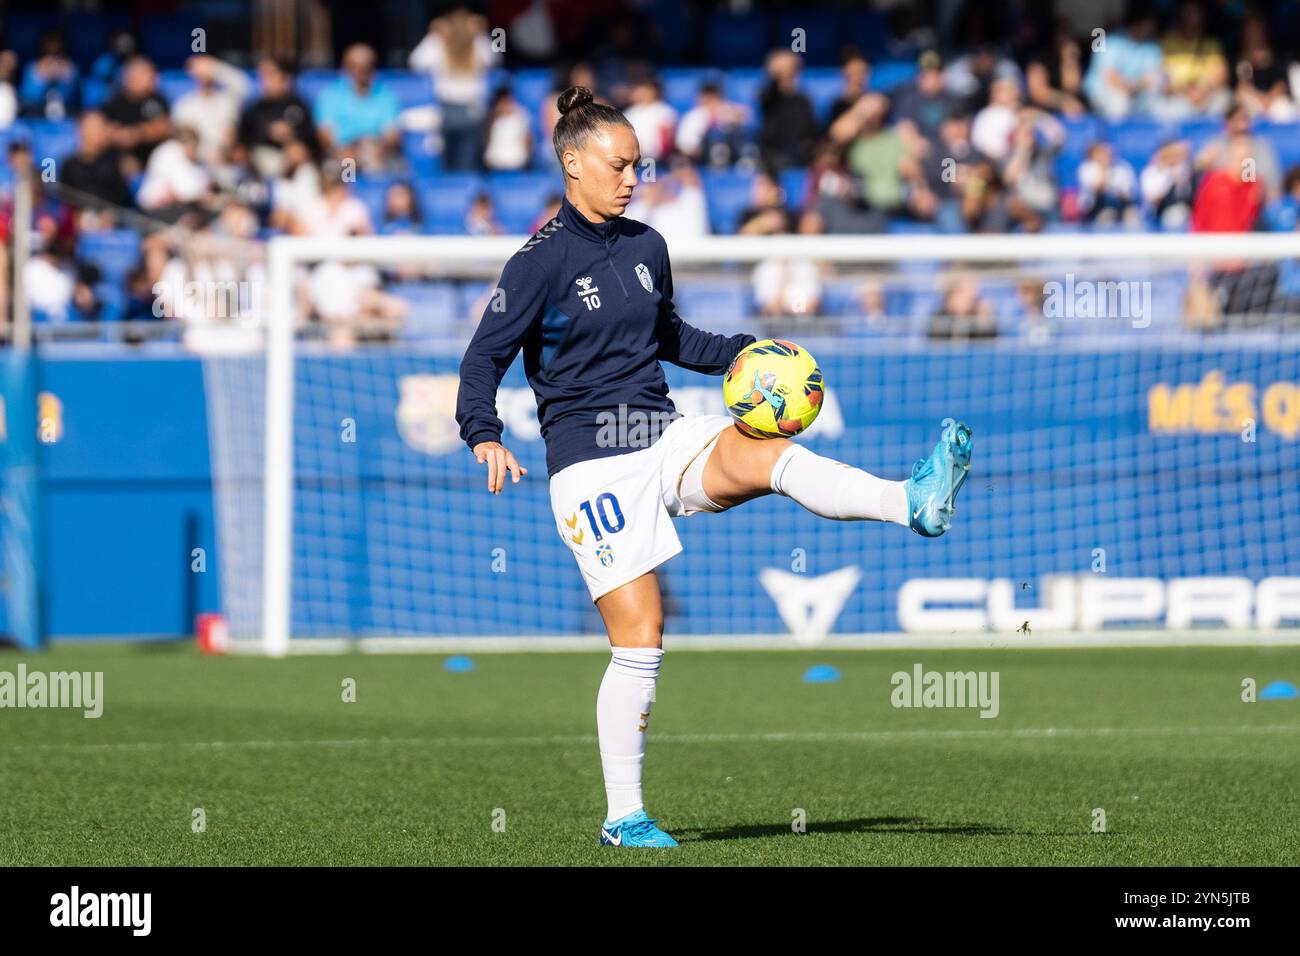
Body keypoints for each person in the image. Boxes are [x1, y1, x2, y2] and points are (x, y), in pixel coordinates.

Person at [454, 86, 973, 850]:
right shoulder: (537, 262)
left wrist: (744, 351)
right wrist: (484, 433)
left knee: (770, 453)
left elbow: (670, 337)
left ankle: (913, 500)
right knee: (641, 636)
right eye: (618, 164)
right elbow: (481, 359)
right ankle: (622, 817)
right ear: (572, 162)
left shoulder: (646, 247)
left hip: (662, 435)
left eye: (639, 164)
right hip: (592, 467)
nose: (633, 178)